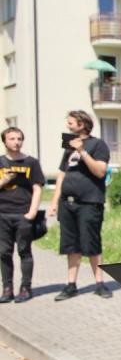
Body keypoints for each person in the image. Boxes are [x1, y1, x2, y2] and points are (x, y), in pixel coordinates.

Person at [48, 110, 112, 300]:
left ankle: (100, 283)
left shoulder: (98, 144)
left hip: (89, 203)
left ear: (81, 124)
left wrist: (82, 151)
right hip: (68, 204)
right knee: (71, 245)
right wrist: (53, 203)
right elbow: (61, 175)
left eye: (70, 123)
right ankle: (71, 285)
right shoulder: (68, 148)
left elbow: (100, 171)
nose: (67, 126)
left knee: (91, 242)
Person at [0, 127, 45, 303]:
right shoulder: (1, 162)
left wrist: (32, 212)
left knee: (24, 251)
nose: (16, 142)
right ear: (5, 141)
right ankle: (7, 288)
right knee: (4, 252)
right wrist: (4, 180)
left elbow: (37, 188)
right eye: (12, 139)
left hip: (23, 214)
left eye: (19, 139)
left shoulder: (31, 162)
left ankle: (26, 288)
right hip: (2, 214)